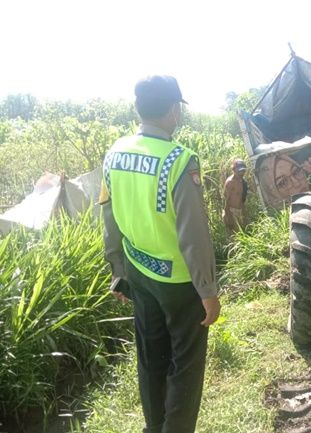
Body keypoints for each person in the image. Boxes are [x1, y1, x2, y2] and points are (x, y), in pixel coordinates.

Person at [99, 75, 220, 433]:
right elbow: (193, 236)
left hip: (139, 272)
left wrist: (117, 269)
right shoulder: (179, 160)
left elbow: (108, 216)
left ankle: (155, 427)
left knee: (151, 359)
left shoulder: (114, 154)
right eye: (178, 109)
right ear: (172, 111)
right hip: (180, 284)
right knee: (185, 366)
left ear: (138, 109)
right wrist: (208, 292)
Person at [223, 159, 248, 233]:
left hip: (240, 210)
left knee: (243, 232)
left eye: (243, 171)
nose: (242, 173)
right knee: (235, 235)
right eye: (239, 171)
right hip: (231, 211)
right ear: (234, 170)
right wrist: (228, 216)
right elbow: (226, 200)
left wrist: (244, 212)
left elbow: (241, 198)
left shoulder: (242, 182)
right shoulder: (230, 182)